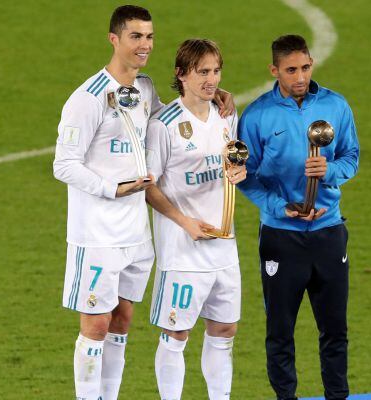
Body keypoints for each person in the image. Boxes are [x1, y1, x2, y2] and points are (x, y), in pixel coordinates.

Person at [52, 6, 234, 400]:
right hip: (98, 231)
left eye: (149, 37)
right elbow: (63, 164)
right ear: (114, 39)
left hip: (136, 231)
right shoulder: (87, 98)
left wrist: (212, 95)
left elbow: (168, 121)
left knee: (122, 321)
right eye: (136, 37)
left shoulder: (145, 89)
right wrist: (111, 188)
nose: (145, 45)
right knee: (96, 325)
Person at [236, 34, 360, 400]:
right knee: (280, 331)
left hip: (328, 231)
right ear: (274, 70)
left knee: (335, 329)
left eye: (305, 67)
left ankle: (338, 396)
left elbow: (351, 156)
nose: (300, 76)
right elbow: (245, 176)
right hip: (281, 237)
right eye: (291, 70)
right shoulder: (257, 115)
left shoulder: (336, 106)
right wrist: (280, 207)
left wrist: (330, 171)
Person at [145, 39, 246, 400]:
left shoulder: (225, 115)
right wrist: (183, 220)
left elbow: (233, 161)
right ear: (181, 74)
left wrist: (238, 173)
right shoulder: (164, 124)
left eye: (216, 71)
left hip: (224, 247)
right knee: (176, 335)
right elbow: (148, 187)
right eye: (202, 72)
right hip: (183, 251)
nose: (211, 80)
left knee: (224, 330)